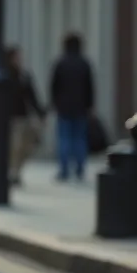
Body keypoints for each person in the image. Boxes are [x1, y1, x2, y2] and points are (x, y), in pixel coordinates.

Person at [49, 32, 95, 181]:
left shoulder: (61, 63)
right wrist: (90, 105)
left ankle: (64, 170)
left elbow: (54, 86)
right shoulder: (84, 63)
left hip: (64, 107)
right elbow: (90, 87)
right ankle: (80, 169)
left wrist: (55, 102)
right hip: (81, 107)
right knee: (80, 138)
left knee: (64, 138)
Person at [5, 47, 45, 186]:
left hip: (23, 116)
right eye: (16, 57)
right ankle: (12, 173)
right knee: (14, 147)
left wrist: (40, 111)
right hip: (9, 117)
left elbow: (31, 95)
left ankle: (16, 171)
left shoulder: (24, 75)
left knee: (26, 146)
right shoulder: (5, 75)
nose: (19, 60)